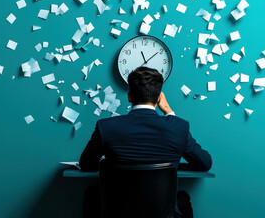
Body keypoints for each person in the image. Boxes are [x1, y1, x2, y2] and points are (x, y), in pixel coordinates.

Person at [79, 66, 212, 218]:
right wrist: (170, 113)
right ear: (159, 98)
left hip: (117, 213)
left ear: (129, 97)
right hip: (161, 214)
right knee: (182, 199)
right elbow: (204, 163)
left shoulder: (105, 127)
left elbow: (86, 164)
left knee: (92, 193)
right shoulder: (178, 127)